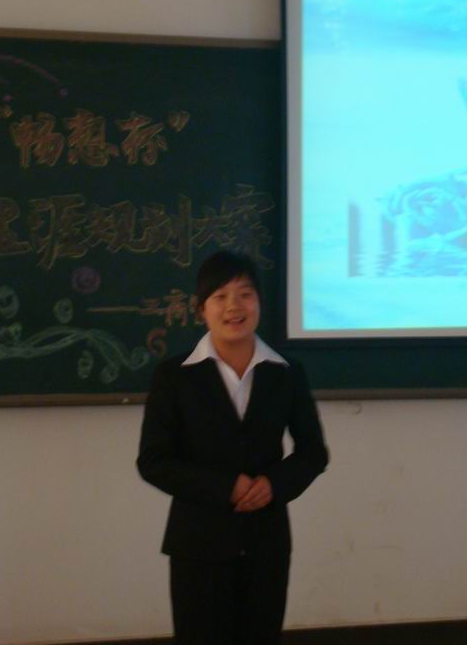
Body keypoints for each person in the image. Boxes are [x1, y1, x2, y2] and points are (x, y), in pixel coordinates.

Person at [137, 250, 328, 645]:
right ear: (201, 309)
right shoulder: (174, 376)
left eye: (245, 294)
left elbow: (313, 452)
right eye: (220, 296)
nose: (233, 306)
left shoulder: (286, 373)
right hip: (198, 545)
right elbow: (154, 461)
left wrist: (275, 484)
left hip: (266, 544)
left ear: (259, 302)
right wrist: (225, 486)